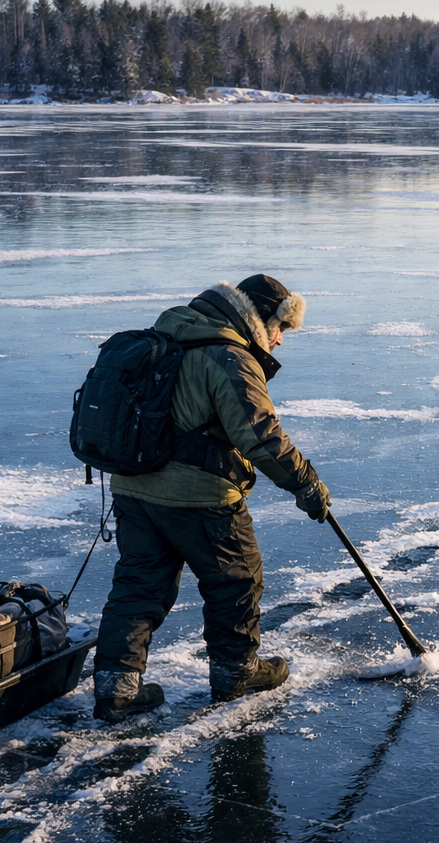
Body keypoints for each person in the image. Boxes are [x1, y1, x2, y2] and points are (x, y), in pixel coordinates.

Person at [92, 275, 331, 724]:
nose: (280, 339)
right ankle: (236, 671)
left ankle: (116, 688)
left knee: (138, 585)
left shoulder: (165, 335)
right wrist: (306, 483)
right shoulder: (230, 357)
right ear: (258, 318)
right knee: (235, 580)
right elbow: (260, 435)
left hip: (133, 487)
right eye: (280, 328)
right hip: (201, 495)